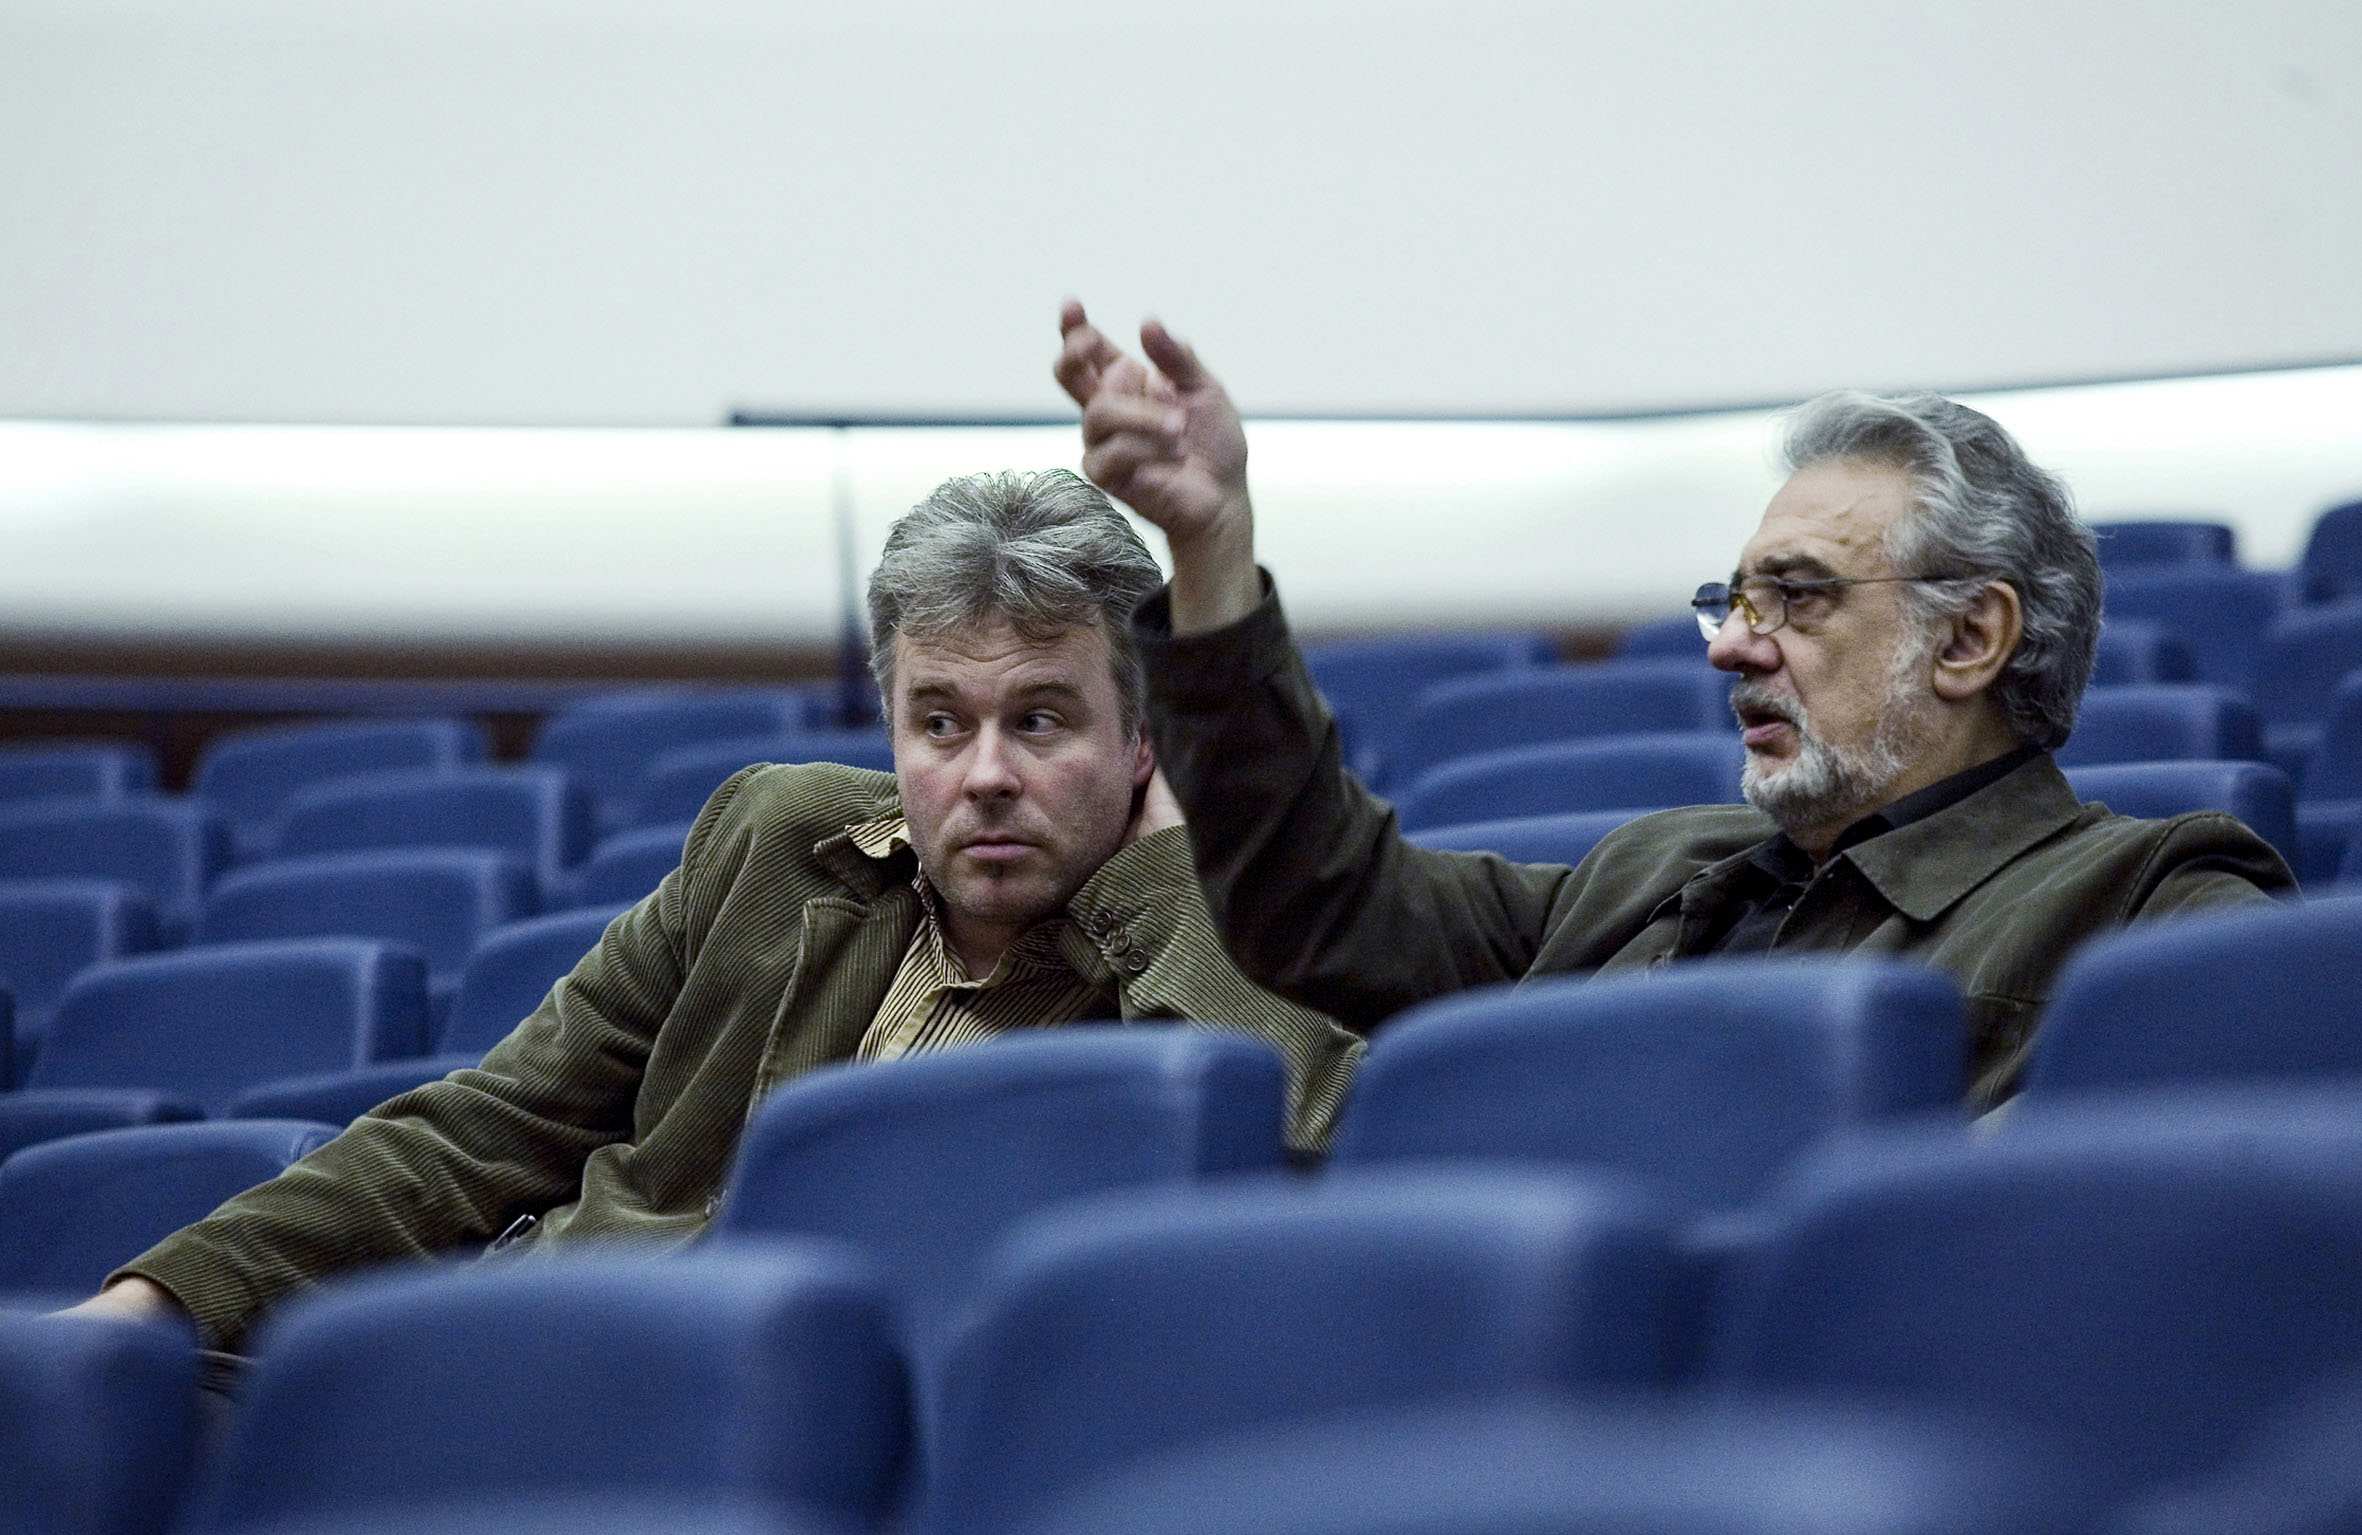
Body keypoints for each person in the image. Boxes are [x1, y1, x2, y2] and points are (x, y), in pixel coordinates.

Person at [63, 468, 1362, 1353]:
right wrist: (152, 1295)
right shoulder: (771, 836)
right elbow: (479, 1127)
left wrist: (1168, 878)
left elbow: (1305, 1156)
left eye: (1040, 718)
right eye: (938, 721)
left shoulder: (1232, 919)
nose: (982, 774)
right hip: (540, 1335)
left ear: (1142, 736)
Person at [1053, 301, 2294, 1105]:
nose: (1732, 650)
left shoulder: (2156, 902)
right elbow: (1317, 900)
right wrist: (1211, 547)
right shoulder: (1643, 873)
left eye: (1797, 599)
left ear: (1968, 637)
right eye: (1731, 600)